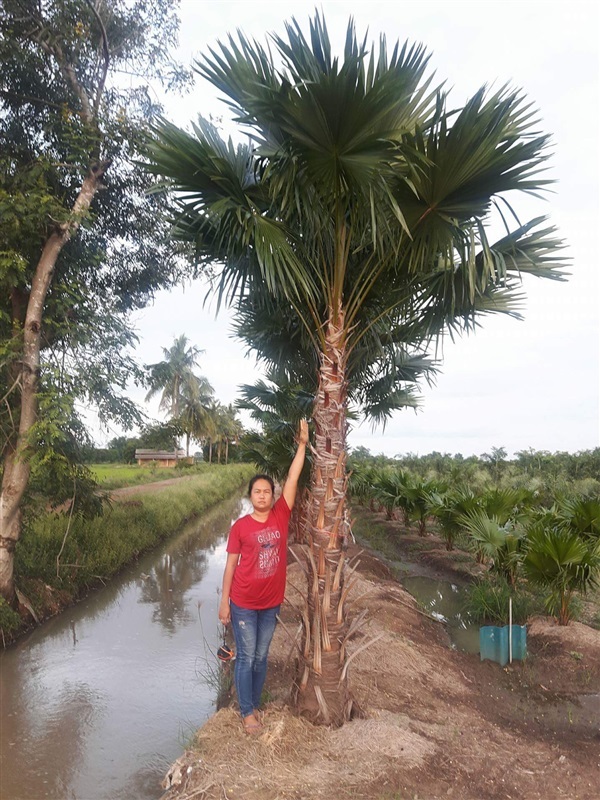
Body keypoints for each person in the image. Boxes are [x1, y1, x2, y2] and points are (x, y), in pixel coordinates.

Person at [218, 419, 309, 734]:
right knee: (246, 657)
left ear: (273, 495)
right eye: (256, 491)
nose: (262, 495)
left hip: (271, 603)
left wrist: (301, 446)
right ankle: (247, 713)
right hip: (243, 602)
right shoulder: (240, 527)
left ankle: (254, 703)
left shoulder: (282, 514)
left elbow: (293, 477)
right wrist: (224, 604)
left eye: (267, 491)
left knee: (261, 656)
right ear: (250, 496)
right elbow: (230, 566)